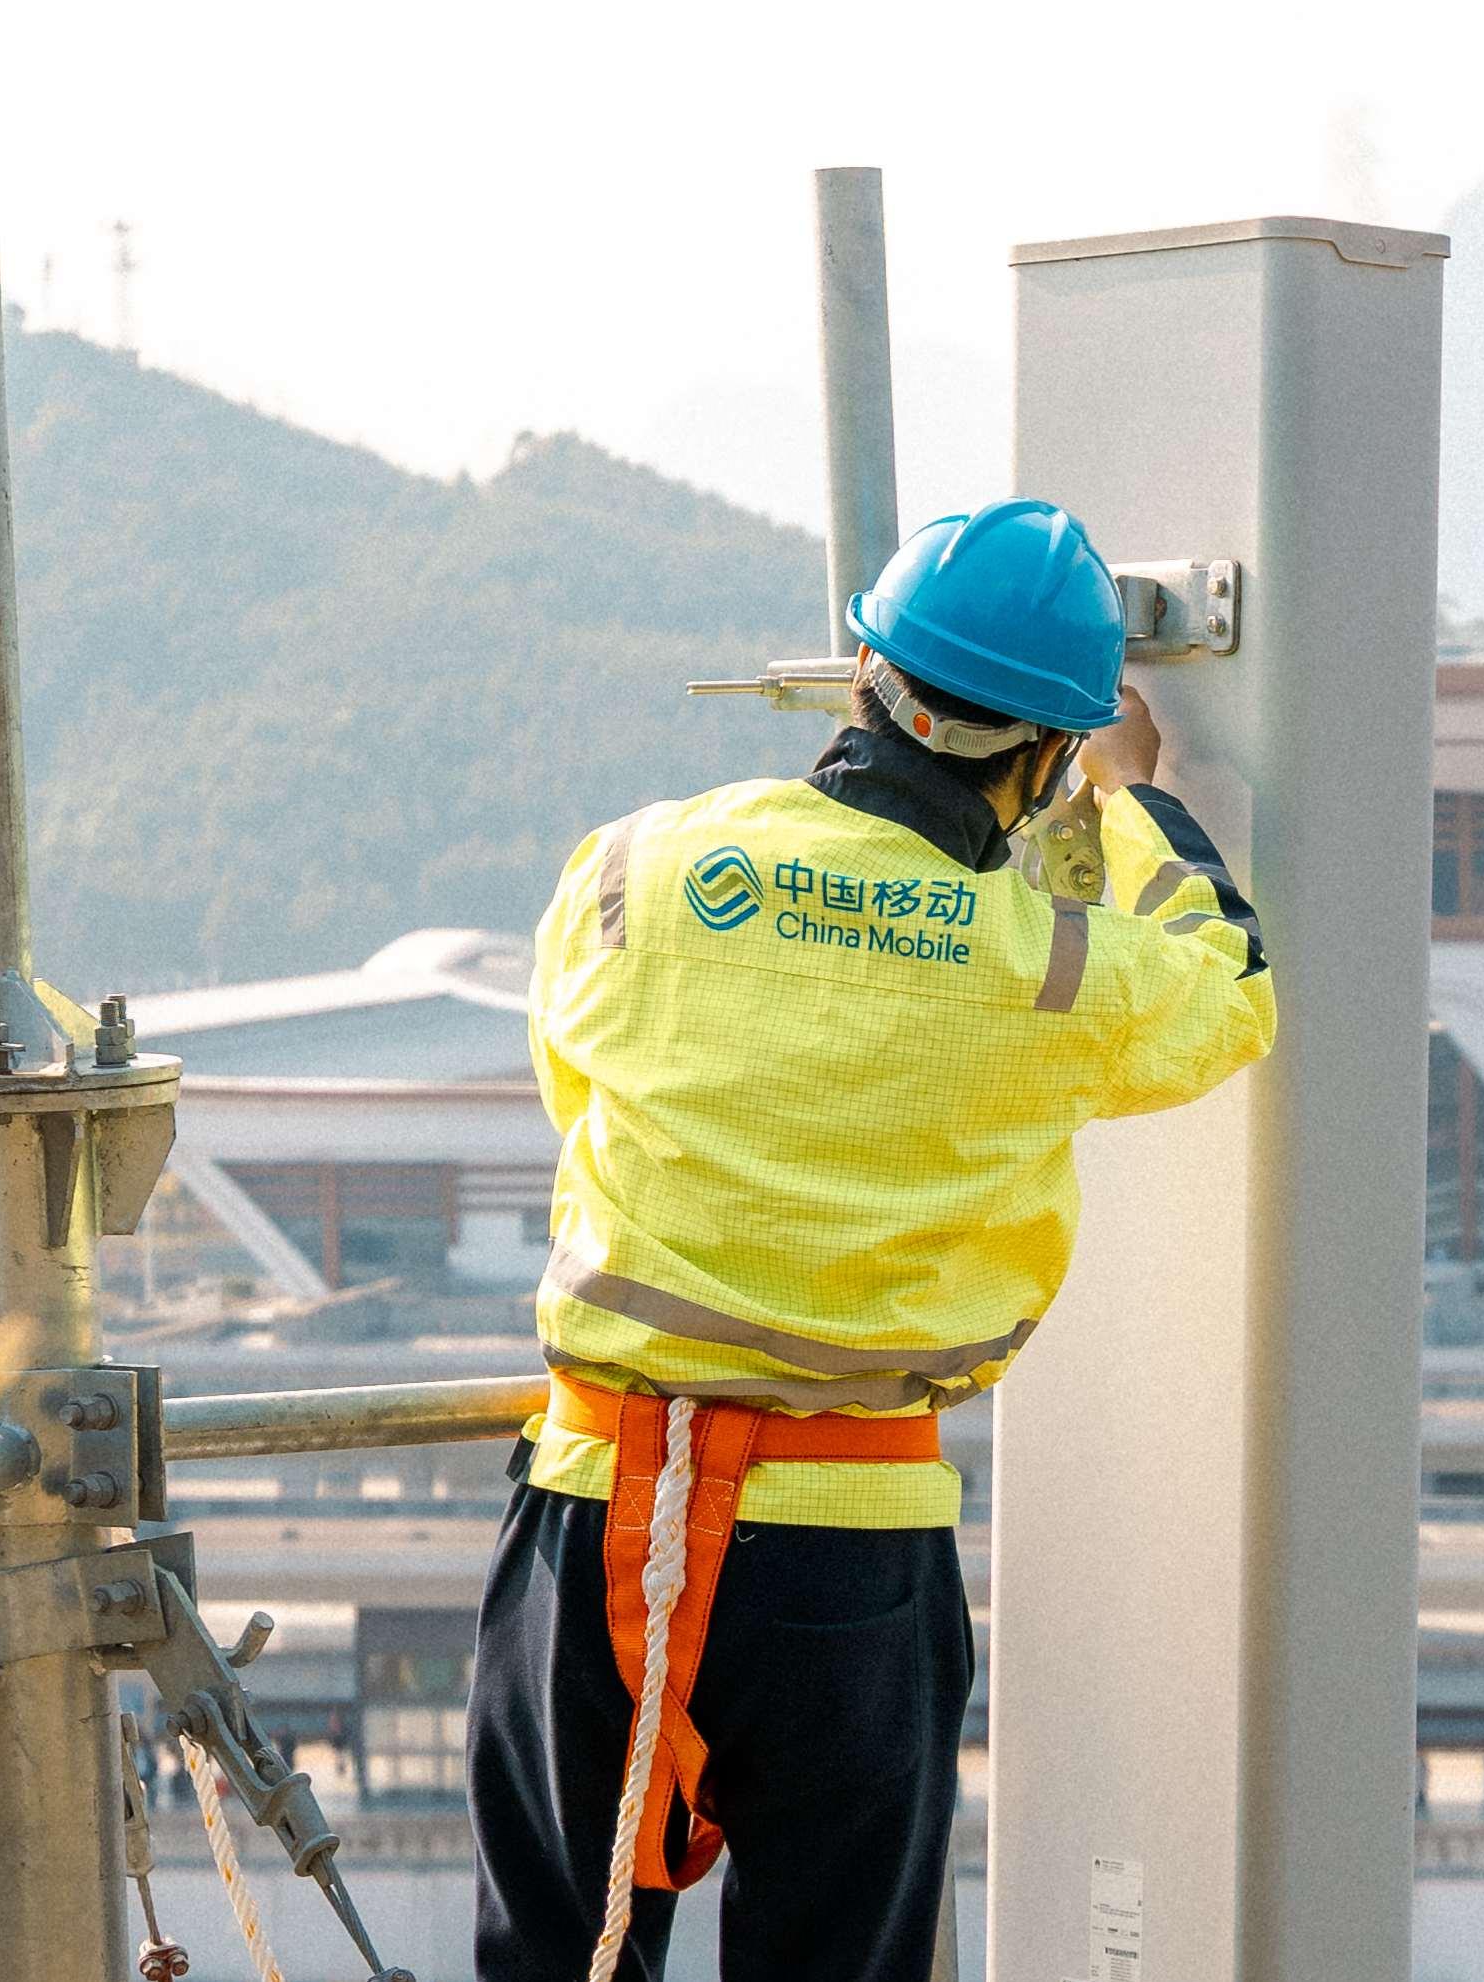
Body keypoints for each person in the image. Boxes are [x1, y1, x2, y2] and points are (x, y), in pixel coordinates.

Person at [467, 499, 1279, 1982]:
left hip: (596, 1500)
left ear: (863, 670)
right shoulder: (1045, 964)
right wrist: (1135, 793)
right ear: (1046, 752)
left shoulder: (634, 867)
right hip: (847, 1545)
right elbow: (1228, 985)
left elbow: (579, 1095)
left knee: (555, 1964)